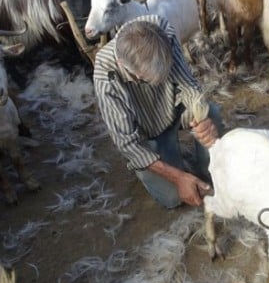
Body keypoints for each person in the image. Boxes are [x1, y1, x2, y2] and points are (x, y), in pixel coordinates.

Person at [93, 14, 223, 208]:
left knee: (210, 112)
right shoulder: (106, 75)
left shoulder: (161, 31)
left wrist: (202, 119)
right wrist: (178, 178)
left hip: (174, 108)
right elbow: (128, 144)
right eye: (147, 80)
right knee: (173, 199)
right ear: (123, 66)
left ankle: (210, 174)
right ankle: (173, 163)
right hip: (148, 132)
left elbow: (188, 86)